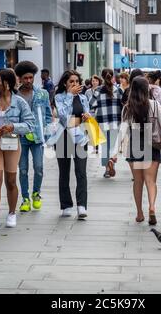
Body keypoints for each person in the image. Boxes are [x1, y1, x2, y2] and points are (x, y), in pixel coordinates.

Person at [0, 69, 35, 230]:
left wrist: (13, 127)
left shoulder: (19, 102)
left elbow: (30, 125)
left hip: (12, 144)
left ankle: (11, 213)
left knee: (11, 181)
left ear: (7, 83)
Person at [113, 76, 161, 226]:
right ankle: (152, 207)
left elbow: (122, 131)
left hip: (136, 144)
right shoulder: (155, 105)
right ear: (146, 89)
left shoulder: (128, 107)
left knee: (138, 181)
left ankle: (139, 213)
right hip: (152, 144)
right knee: (151, 181)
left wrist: (113, 154)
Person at [15, 61, 52, 212]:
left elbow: (48, 115)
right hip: (20, 137)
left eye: (31, 77)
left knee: (39, 168)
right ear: (20, 79)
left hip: (37, 137)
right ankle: (25, 198)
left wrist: (47, 133)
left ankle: (36, 193)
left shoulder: (42, 93)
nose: (29, 81)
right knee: (22, 169)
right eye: (25, 78)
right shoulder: (15, 95)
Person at [55, 70, 92, 219]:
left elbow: (86, 115)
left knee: (81, 171)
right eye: (71, 81)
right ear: (65, 83)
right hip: (63, 137)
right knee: (64, 172)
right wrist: (70, 95)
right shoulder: (59, 97)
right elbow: (63, 117)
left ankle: (81, 205)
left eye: (77, 81)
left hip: (80, 137)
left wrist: (87, 116)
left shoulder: (83, 98)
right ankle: (66, 205)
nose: (75, 84)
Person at [91, 68, 123, 178]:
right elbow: (123, 105)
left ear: (102, 77)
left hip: (102, 122)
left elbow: (91, 104)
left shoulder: (97, 90)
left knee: (104, 146)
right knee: (113, 146)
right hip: (115, 122)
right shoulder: (118, 90)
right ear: (112, 76)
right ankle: (111, 161)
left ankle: (107, 169)